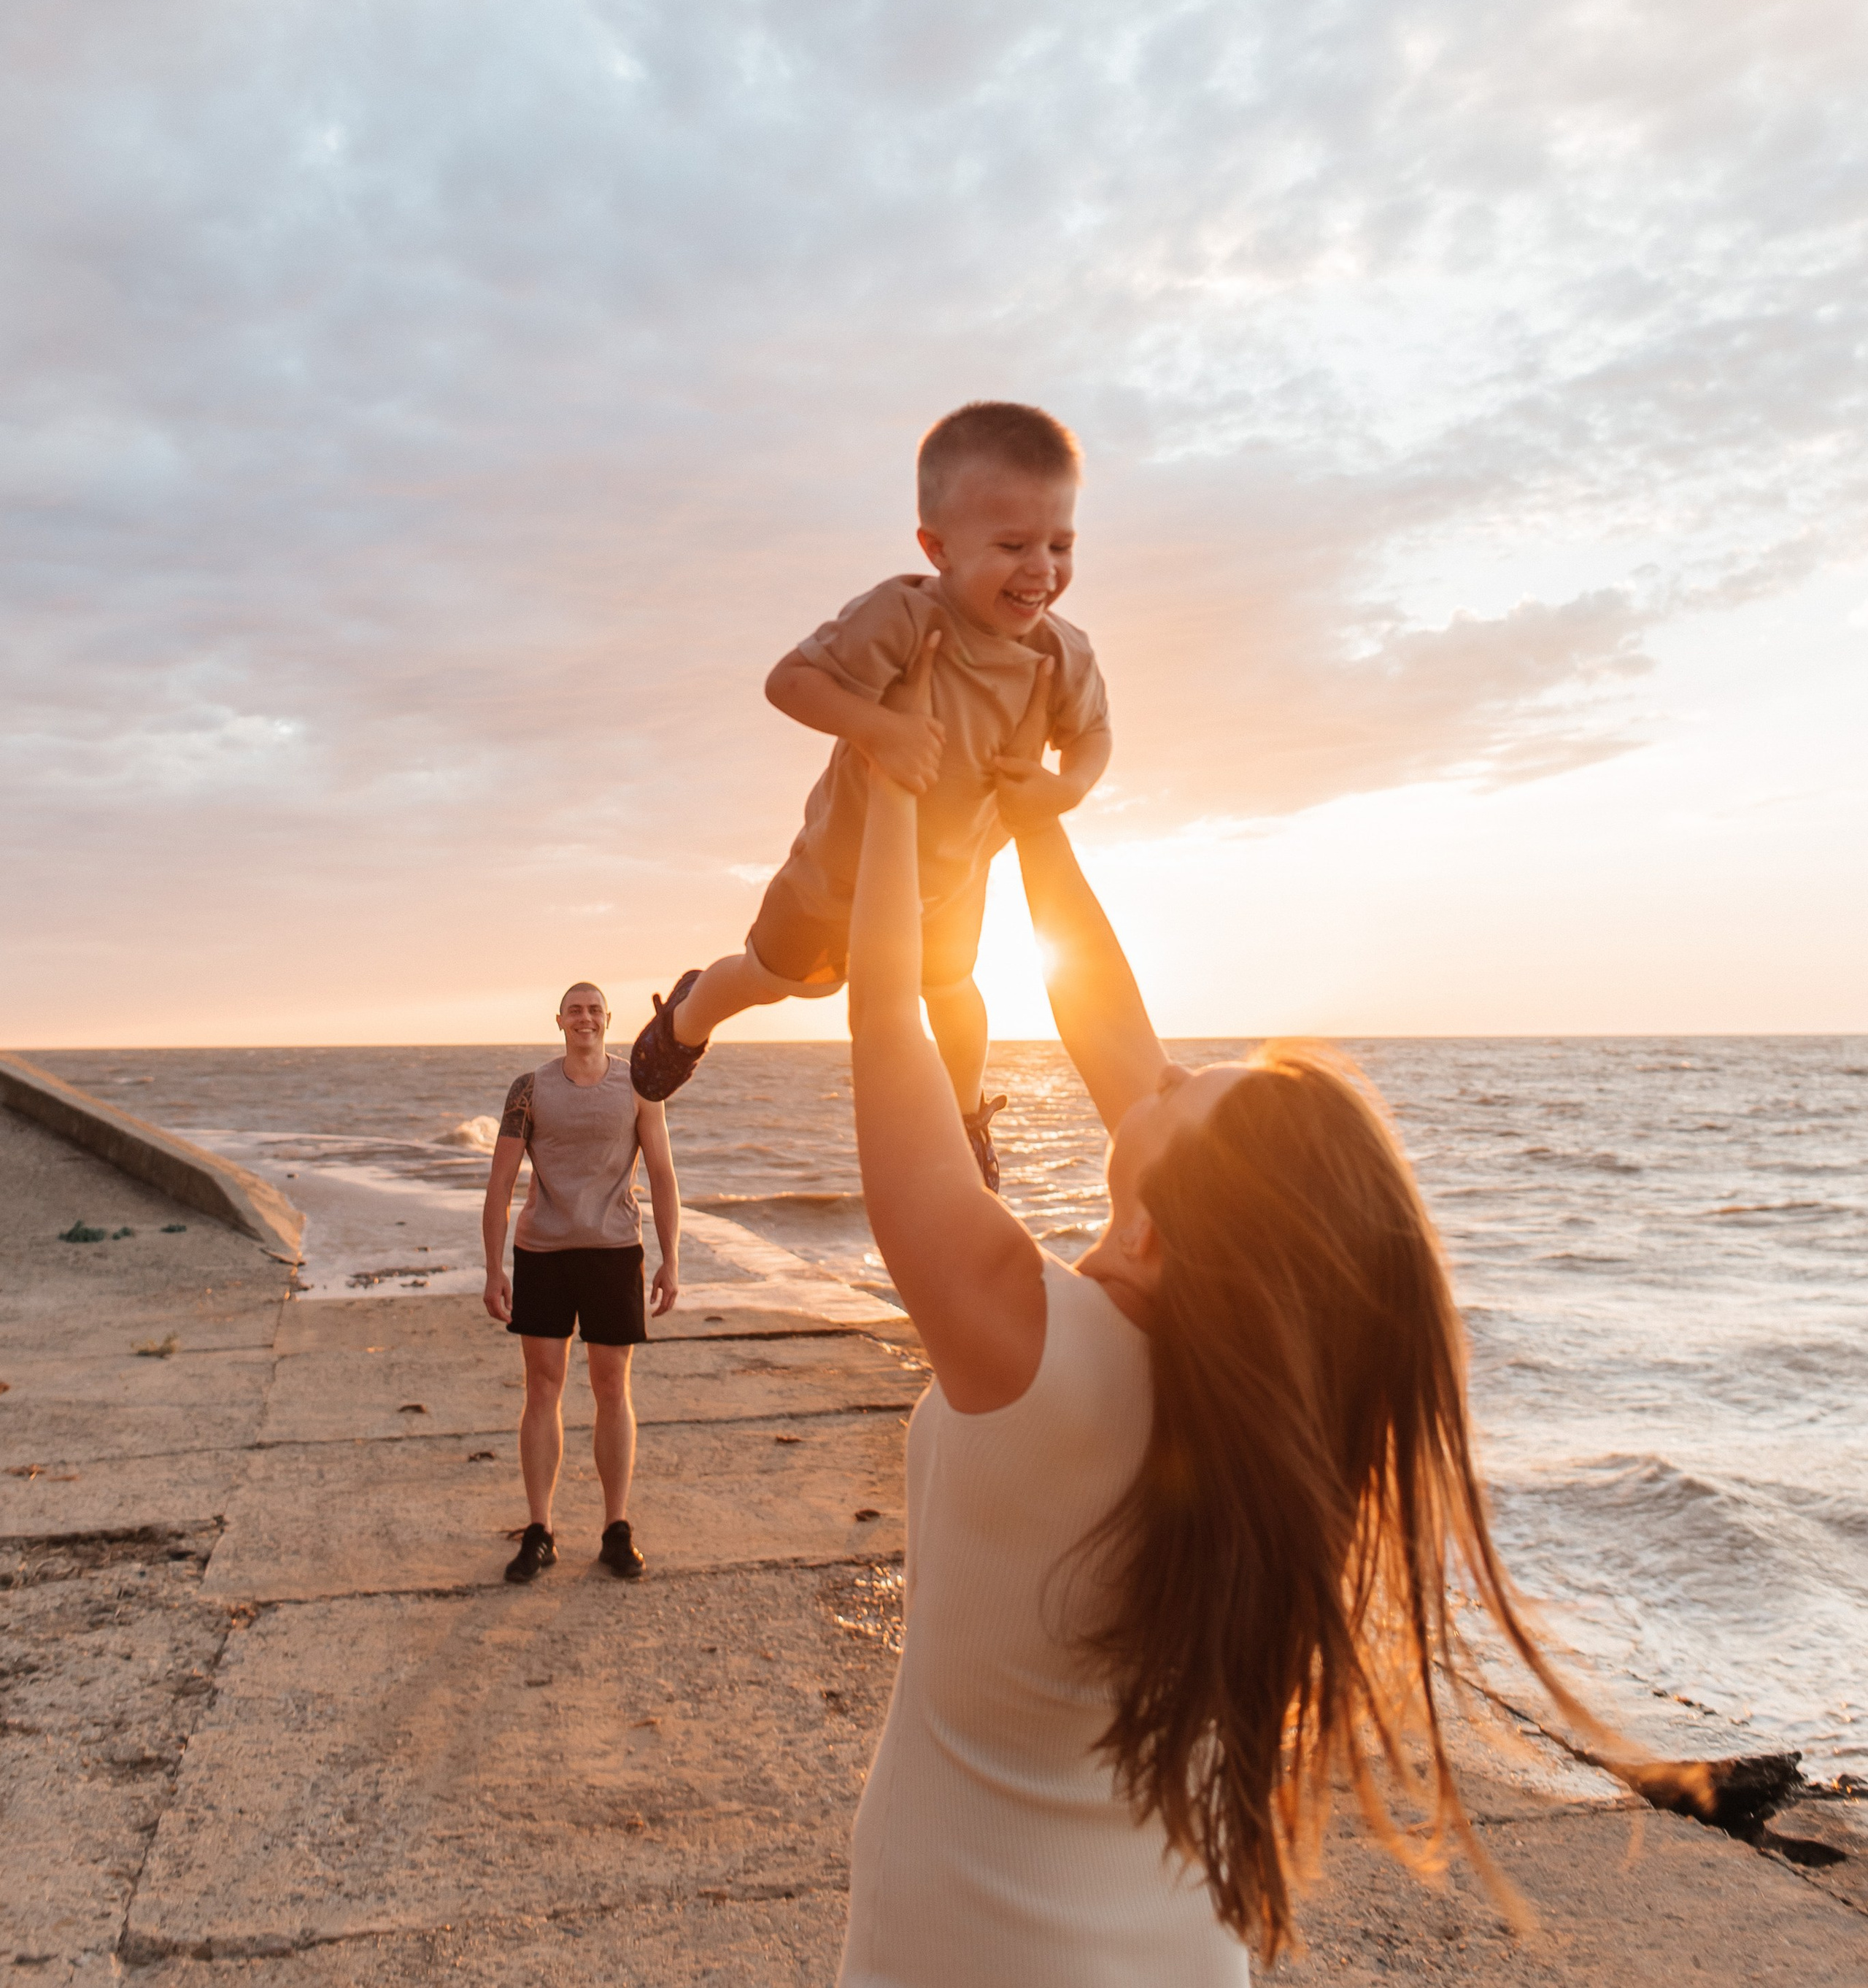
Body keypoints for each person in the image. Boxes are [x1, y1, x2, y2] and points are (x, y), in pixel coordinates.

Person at [835, 639, 1602, 1983]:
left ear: (1156, 1227)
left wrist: (889, 776)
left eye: (1199, 1090)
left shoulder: (1033, 1356)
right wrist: (1028, 816)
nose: (1169, 1065)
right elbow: (1111, 1026)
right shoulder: (1272, 1432)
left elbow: (888, 1017)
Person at [630, 401, 1112, 1190]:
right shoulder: (904, 616)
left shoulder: (1064, 654)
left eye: (1061, 544)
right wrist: (877, 729)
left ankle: (962, 1126)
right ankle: (688, 1015)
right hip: (838, 873)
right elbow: (788, 681)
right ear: (937, 547)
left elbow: (1094, 736)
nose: (1042, 570)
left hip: (949, 881)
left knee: (955, 996)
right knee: (774, 980)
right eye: (1012, 545)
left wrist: (1068, 787)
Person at [482, 981, 681, 1586]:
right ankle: (539, 1530)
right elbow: (500, 1183)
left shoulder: (639, 1086)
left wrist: (671, 1259)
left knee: (611, 1386)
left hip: (615, 1250)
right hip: (542, 1251)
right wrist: (494, 1267)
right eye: (576, 1010)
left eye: (595, 1009)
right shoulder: (531, 1088)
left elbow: (664, 1173)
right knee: (542, 1388)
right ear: (561, 1020)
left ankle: (615, 1530)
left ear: (608, 1020)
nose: (585, 1018)